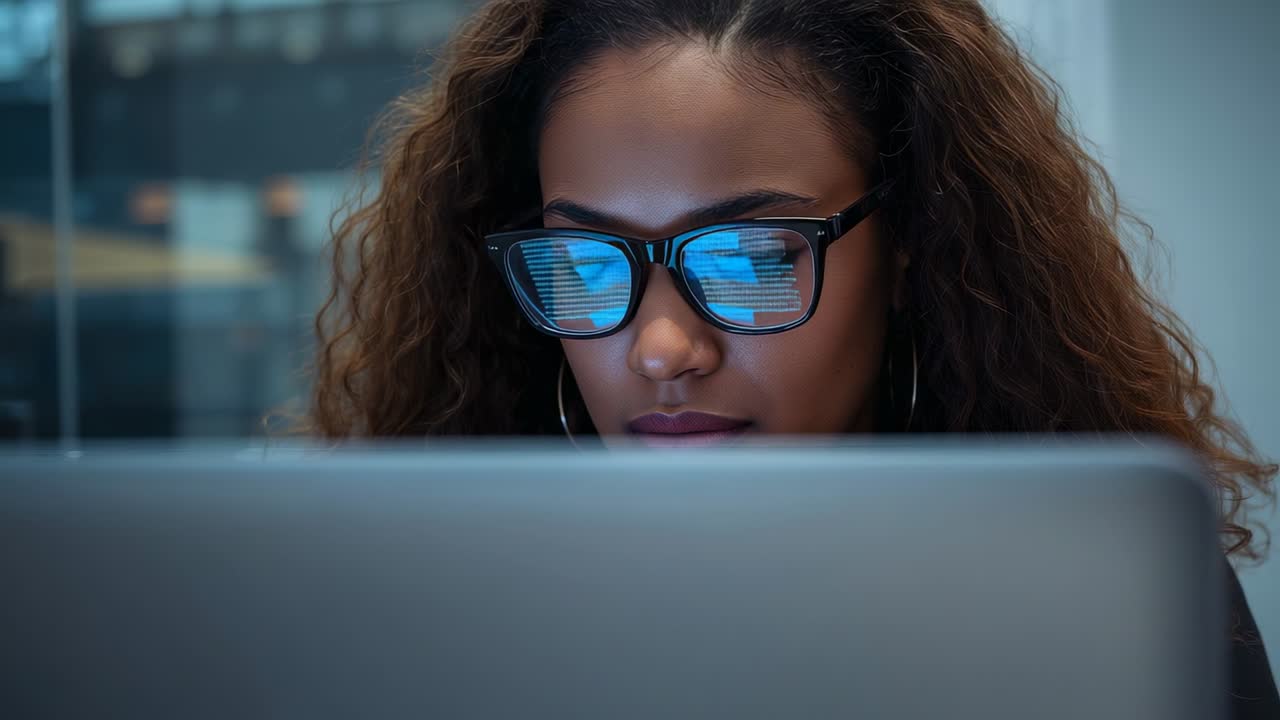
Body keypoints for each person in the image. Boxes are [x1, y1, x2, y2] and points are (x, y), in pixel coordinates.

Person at [307, 0, 1279, 714]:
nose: (659, 348)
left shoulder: (1107, 587)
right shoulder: (430, 609)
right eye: (585, 262)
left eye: (748, 257)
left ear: (908, 249)